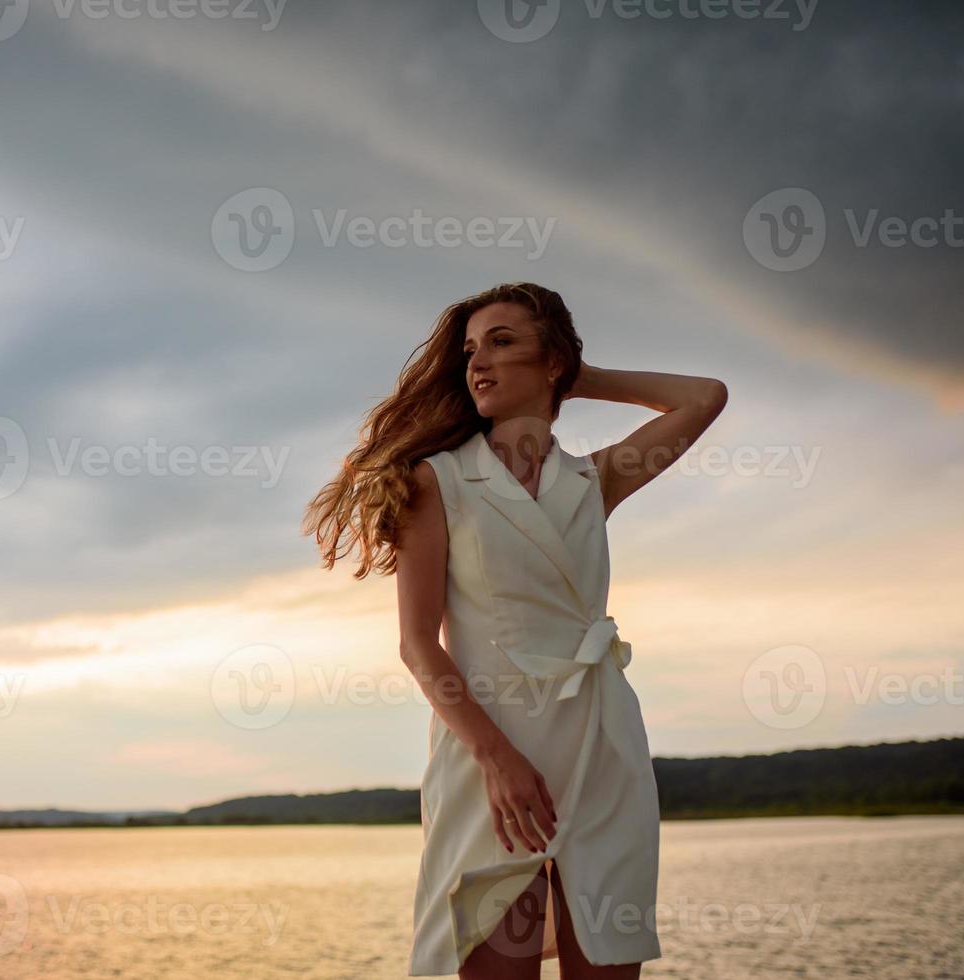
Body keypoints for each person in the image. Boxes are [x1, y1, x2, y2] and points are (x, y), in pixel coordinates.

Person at [302, 282, 727, 978]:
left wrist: (579, 377)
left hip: (602, 743)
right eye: (471, 350)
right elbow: (417, 645)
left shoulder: (594, 481)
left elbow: (704, 396)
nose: (477, 363)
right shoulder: (434, 482)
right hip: (488, 755)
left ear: (552, 360)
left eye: (501, 342)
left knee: (609, 956)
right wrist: (498, 761)